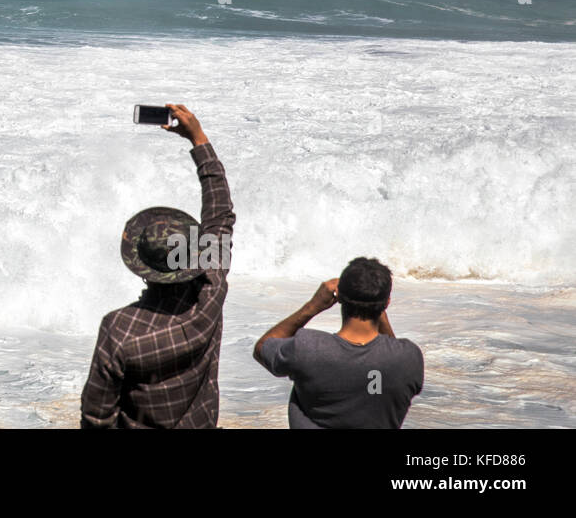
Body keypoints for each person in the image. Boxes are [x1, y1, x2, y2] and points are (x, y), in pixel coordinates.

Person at [80, 104, 234, 428]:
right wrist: (198, 138)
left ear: (142, 266)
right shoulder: (210, 293)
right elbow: (220, 216)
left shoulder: (119, 329)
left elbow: (97, 417)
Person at [253, 256, 423, 428]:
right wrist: (379, 310)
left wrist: (312, 306)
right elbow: (397, 365)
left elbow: (262, 347)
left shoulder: (308, 348)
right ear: (387, 303)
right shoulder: (409, 358)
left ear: (339, 296)